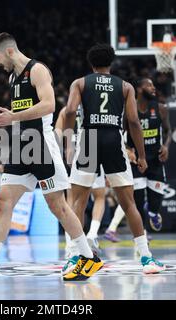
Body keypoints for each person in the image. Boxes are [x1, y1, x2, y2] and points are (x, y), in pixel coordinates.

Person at [0, 32, 103, 283]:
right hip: (22, 147)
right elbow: (14, 114)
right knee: (3, 202)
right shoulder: (13, 77)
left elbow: (49, 105)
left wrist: (13, 117)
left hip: (41, 145)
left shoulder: (37, 70)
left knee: (59, 207)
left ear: (10, 51)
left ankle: (88, 258)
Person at [63, 43, 165, 274]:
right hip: (113, 139)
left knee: (77, 202)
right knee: (129, 203)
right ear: (111, 63)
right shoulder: (125, 86)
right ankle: (146, 258)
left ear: (91, 64)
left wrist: (69, 144)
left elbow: (69, 111)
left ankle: (73, 255)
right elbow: (134, 122)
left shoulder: (79, 83)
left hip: (88, 139)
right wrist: (140, 155)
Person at [104, 78, 172, 239]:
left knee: (155, 203)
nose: (153, 88)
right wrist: (127, 149)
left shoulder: (161, 109)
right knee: (138, 201)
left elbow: (169, 131)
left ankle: (154, 212)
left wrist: (166, 146)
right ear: (140, 89)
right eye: (150, 85)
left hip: (156, 160)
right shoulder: (128, 110)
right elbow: (118, 133)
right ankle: (143, 235)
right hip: (136, 162)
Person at [55, 106, 106, 257]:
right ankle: (92, 234)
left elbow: (57, 134)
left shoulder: (65, 111)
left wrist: (59, 154)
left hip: (71, 156)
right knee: (99, 196)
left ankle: (71, 245)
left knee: (70, 201)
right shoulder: (93, 106)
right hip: (92, 151)